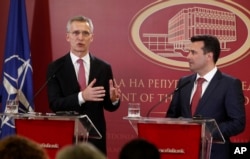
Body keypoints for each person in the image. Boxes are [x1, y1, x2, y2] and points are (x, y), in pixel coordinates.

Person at [46, 15, 121, 155]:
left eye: (85, 33)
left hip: (94, 139)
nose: (80, 37)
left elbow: (109, 106)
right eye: (76, 33)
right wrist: (82, 96)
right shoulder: (55, 68)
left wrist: (113, 99)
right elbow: (55, 104)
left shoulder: (103, 67)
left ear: (91, 37)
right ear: (68, 37)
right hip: (65, 136)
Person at [166, 35, 246, 159]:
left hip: (214, 154)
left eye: (193, 52)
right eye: (188, 52)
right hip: (183, 152)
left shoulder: (230, 84)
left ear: (209, 56)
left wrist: (205, 132)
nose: (188, 57)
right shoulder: (184, 82)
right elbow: (171, 117)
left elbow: (237, 123)